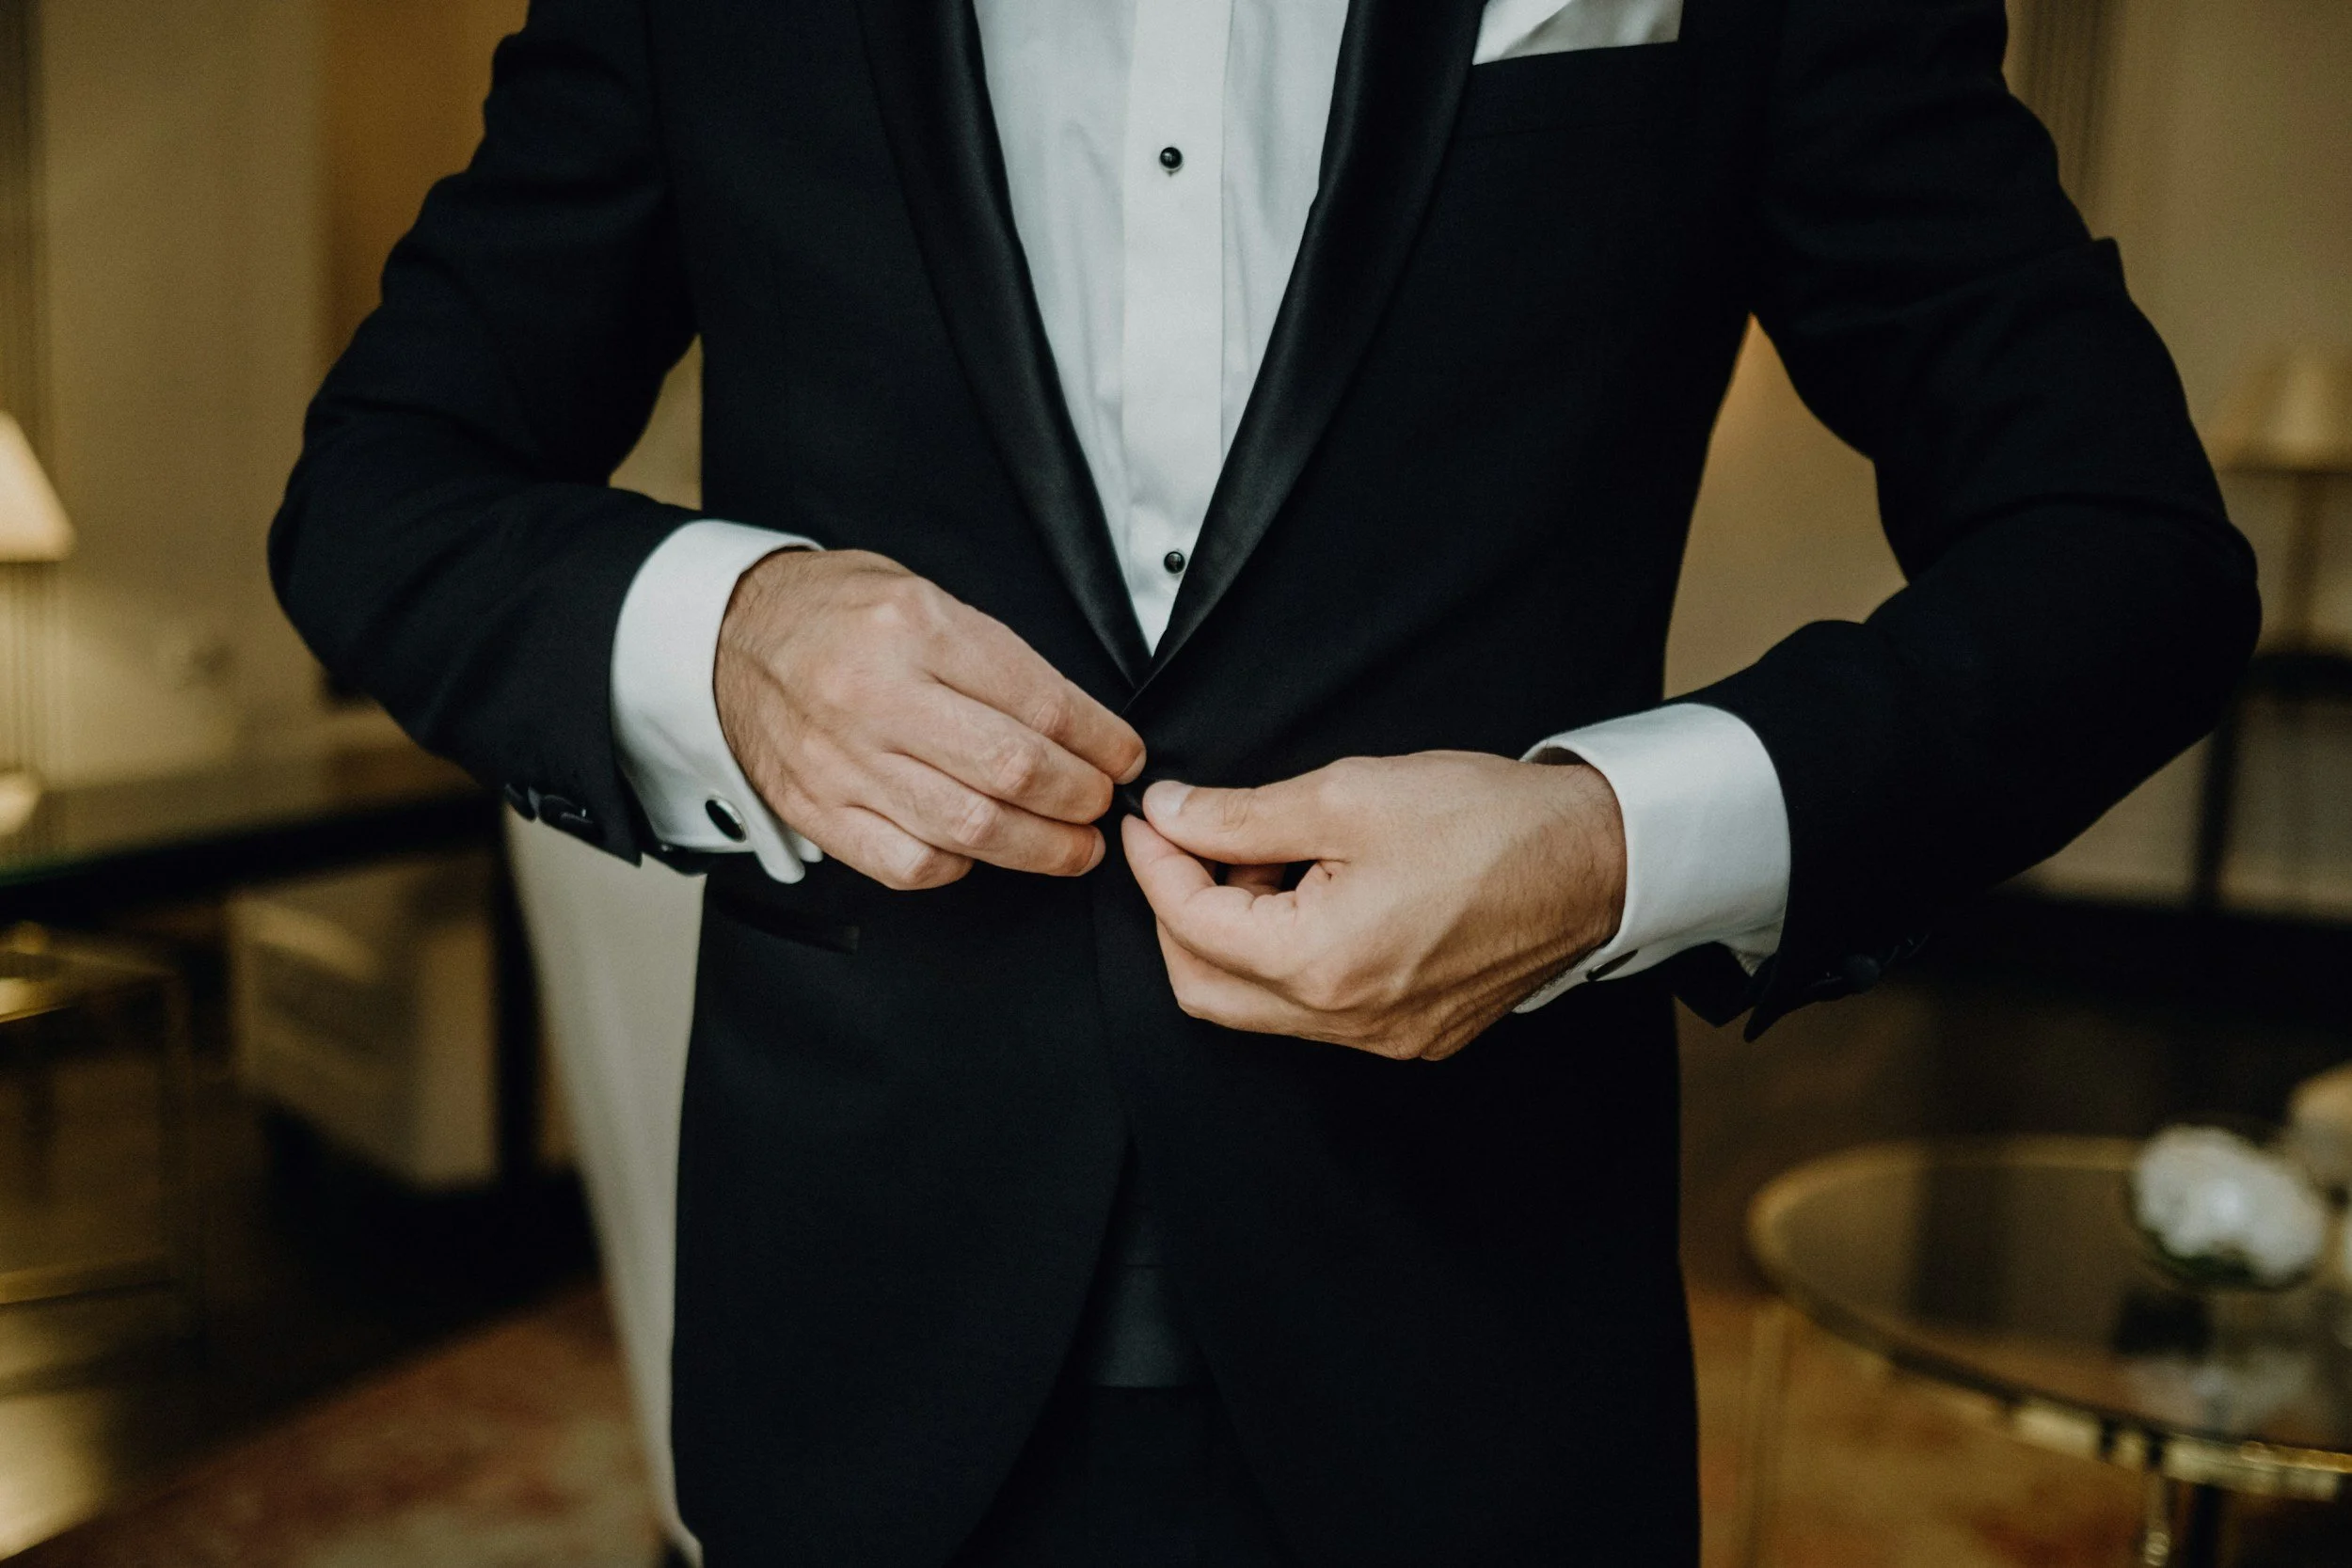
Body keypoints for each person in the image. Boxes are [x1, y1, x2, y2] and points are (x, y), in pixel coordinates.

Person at [270, 0, 2257, 1560]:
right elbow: (381, 485)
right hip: (862, 1360)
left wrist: (1601, 845)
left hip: (1474, 1360)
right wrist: (725, 632)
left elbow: (2122, 553)